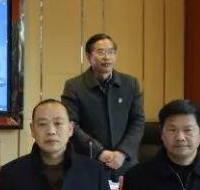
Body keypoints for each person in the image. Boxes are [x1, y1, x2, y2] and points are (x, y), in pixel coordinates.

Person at [61, 33, 145, 175]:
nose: (107, 57)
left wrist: (122, 152)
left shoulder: (130, 84)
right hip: (89, 161)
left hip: (124, 163)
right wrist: (99, 152)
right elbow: (71, 124)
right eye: (101, 52)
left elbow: (138, 121)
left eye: (111, 52)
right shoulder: (74, 86)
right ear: (89, 56)